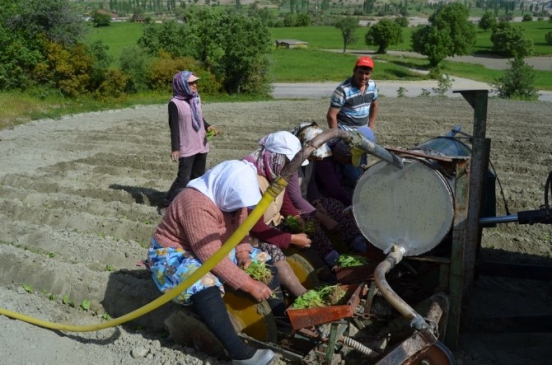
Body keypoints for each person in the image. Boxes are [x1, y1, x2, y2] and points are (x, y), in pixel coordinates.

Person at [146, 160, 279, 365]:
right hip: (176, 252)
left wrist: (243, 253)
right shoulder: (195, 203)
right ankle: (238, 353)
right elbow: (211, 257)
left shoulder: (235, 197)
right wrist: (249, 284)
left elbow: (241, 231)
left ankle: (279, 316)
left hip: (217, 247)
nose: (240, 208)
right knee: (203, 282)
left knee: (263, 260)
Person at [244, 131, 342, 281]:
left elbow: (286, 200)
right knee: (274, 252)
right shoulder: (250, 177)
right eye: (288, 162)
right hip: (256, 234)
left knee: (310, 225)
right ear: (276, 157)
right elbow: (256, 227)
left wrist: (295, 217)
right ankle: (300, 289)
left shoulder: (275, 171)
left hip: (276, 222)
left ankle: (332, 265)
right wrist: (291, 239)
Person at [293, 122, 370, 253]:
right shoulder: (294, 165)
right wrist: (323, 218)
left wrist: (317, 203)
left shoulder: (311, 162)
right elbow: (295, 198)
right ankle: (331, 259)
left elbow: (311, 184)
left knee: (338, 210)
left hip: (309, 200)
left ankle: (355, 242)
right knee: (314, 226)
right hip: (296, 206)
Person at [159, 70, 219, 215]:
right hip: (187, 146)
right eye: (191, 83)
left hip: (201, 144)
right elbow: (173, 126)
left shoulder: (196, 98)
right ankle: (166, 204)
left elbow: (199, 117)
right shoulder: (174, 104)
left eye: (195, 82)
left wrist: (207, 126)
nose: (195, 85)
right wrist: (175, 148)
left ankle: (192, 203)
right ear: (182, 85)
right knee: (183, 179)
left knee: (198, 177)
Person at [326, 56, 378, 184]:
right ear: (354, 71)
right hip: (348, 137)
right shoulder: (343, 90)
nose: (363, 77)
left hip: (363, 135)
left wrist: (370, 126)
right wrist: (339, 136)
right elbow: (331, 115)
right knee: (353, 174)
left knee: (362, 165)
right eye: (360, 72)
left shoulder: (372, 86)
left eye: (367, 73)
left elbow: (375, 105)